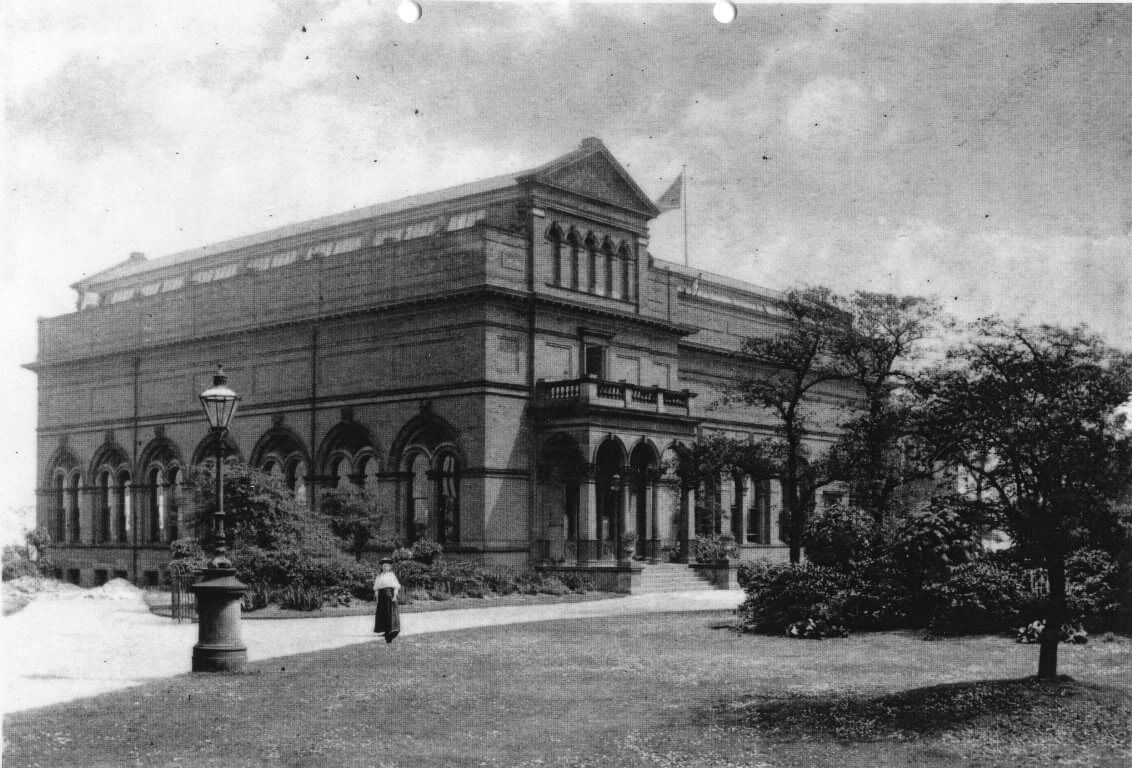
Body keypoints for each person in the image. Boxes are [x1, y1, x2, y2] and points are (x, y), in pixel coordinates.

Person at [373, 558, 401, 643]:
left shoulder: (391, 575)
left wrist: (395, 596)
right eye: (383, 566)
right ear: (381, 567)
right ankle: (385, 630)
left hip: (389, 594)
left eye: (387, 566)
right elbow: (376, 588)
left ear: (389, 567)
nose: (385, 568)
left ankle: (391, 630)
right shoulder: (379, 576)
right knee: (382, 612)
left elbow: (396, 586)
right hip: (381, 596)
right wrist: (377, 598)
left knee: (390, 613)